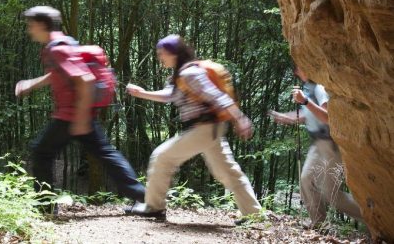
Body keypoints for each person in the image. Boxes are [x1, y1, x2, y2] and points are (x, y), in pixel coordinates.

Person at [15, 6, 145, 207]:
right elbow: (61, 73)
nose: (29, 30)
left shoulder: (56, 48)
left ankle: (45, 205)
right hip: (79, 113)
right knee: (106, 154)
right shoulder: (64, 43)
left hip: (71, 115)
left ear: (41, 25)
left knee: (41, 153)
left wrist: (81, 118)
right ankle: (144, 197)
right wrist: (33, 83)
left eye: (31, 26)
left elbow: (85, 79)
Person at [125, 34, 261, 221]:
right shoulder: (183, 73)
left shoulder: (190, 73)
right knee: (229, 173)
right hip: (210, 129)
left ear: (174, 54)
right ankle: (254, 215)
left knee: (162, 157)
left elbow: (216, 96)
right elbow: (169, 96)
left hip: (204, 129)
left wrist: (240, 118)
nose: (160, 57)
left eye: (162, 53)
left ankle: (154, 207)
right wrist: (142, 93)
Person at [269, 65, 362, 228]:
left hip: (329, 144)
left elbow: (328, 117)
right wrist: (286, 117)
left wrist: (305, 100)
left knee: (332, 195)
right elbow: (308, 115)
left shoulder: (319, 87)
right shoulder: (309, 88)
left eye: (298, 68)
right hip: (317, 144)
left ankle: (372, 217)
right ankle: (319, 224)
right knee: (306, 181)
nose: (297, 71)